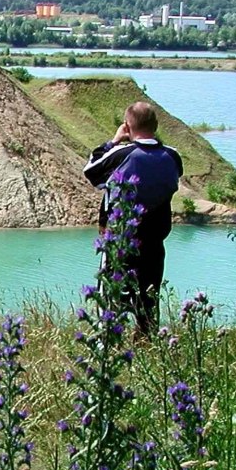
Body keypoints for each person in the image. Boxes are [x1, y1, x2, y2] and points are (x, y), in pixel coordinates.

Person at [82, 101, 183, 334]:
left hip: (120, 243)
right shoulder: (172, 156)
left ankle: (107, 344)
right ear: (156, 125)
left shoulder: (122, 154)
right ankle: (147, 346)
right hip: (155, 244)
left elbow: (91, 170)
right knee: (148, 302)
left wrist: (114, 141)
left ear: (127, 126)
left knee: (110, 298)